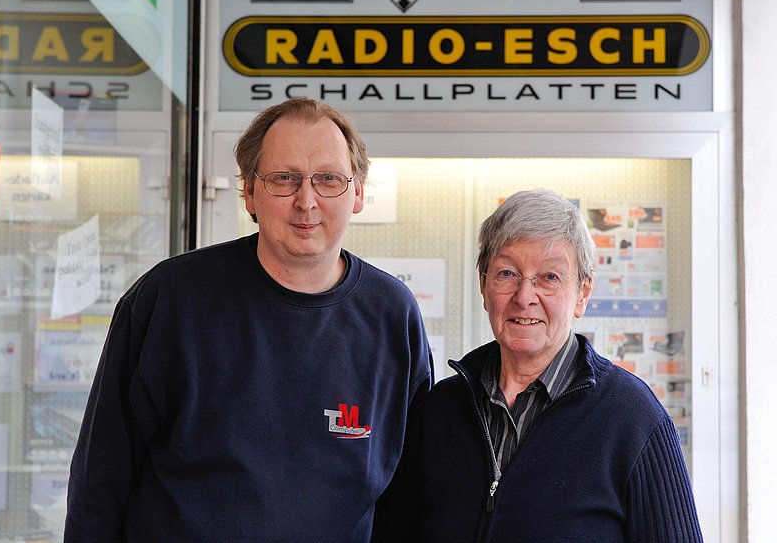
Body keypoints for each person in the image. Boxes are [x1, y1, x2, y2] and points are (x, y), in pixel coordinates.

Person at [64, 97, 433, 542]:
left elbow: (410, 495)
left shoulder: (392, 315)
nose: (306, 201)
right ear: (249, 192)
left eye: (328, 180)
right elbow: (99, 480)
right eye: (284, 179)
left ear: (356, 193)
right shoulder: (170, 300)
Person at [380, 189, 703, 542]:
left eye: (549, 277)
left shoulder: (634, 417)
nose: (524, 297)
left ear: (582, 294)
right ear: (484, 286)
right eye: (506, 273)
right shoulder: (439, 410)